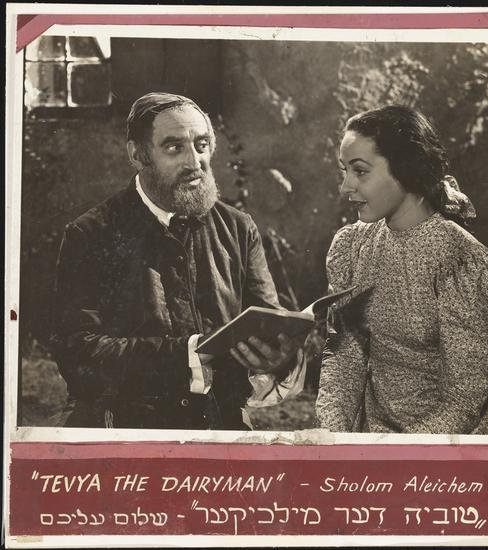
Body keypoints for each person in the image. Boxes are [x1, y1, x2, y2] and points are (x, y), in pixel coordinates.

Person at [51, 92, 305, 430]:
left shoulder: (238, 228)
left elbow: (267, 322)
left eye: (202, 145)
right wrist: (187, 354)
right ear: (137, 155)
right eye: (175, 148)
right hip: (126, 431)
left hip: (223, 428)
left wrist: (279, 357)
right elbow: (77, 353)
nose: (194, 162)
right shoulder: (91, 233)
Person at [316, 105, 488, 434]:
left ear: (405, 169)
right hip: (375, 440)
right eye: (344, 171)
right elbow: (345, 354)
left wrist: (396, 453)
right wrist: (334, 435)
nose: (346, 186)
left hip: (447, 448)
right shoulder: (354, 245)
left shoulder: (461, 260)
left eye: (360, 171)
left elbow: (463, 402)